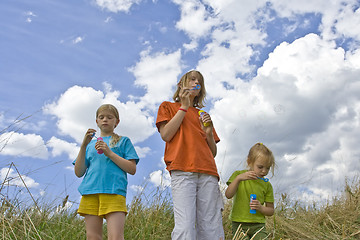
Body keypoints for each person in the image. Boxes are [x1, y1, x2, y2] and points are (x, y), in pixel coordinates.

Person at [156, 70, 225, 240]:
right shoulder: (168, 107)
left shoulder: (202, 115)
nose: (196, 82)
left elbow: (213, 152)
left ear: (201, 90)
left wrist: (208, 132)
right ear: (181, 84)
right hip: (182, 170)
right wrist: (184, 107)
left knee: (211, 226)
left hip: (208, 172)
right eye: (192, 79)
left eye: (199, 81)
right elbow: (166, 135)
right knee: (185, 226)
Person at [73, 104, 139, 240]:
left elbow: (132, 169)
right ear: (96, 121)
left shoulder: (123, 141)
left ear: (117, 122)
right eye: (101, 117)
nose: (105, 120)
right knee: (93, 237)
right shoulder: (90, 145)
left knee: (115, 237)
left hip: (114, 192)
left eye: (110, 117)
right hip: (90, 192)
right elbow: (79, 172)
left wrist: (109, 153)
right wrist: (84, 145)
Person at [225, 143, 275, 240]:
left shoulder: (267, 185)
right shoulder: (238, 175)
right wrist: (238, 179)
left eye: (267, 168)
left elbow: (271, 210)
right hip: (239, 223)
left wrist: (261, 208)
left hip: (258, 225)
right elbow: (228, 195)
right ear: (249, 162)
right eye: (260, 167)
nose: (264, 171)